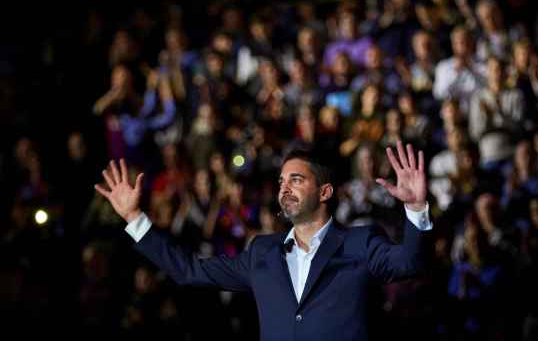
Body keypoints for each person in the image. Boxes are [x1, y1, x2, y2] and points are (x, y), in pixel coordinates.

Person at [94, 141, 432, 341]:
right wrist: (136, 220)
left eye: (296, 179)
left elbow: (409, 263)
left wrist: (415, 209)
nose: (284, 187)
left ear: (325, 191)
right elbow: (189, 271)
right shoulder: (262, 252)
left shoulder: (360, 242)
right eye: (282, 180)